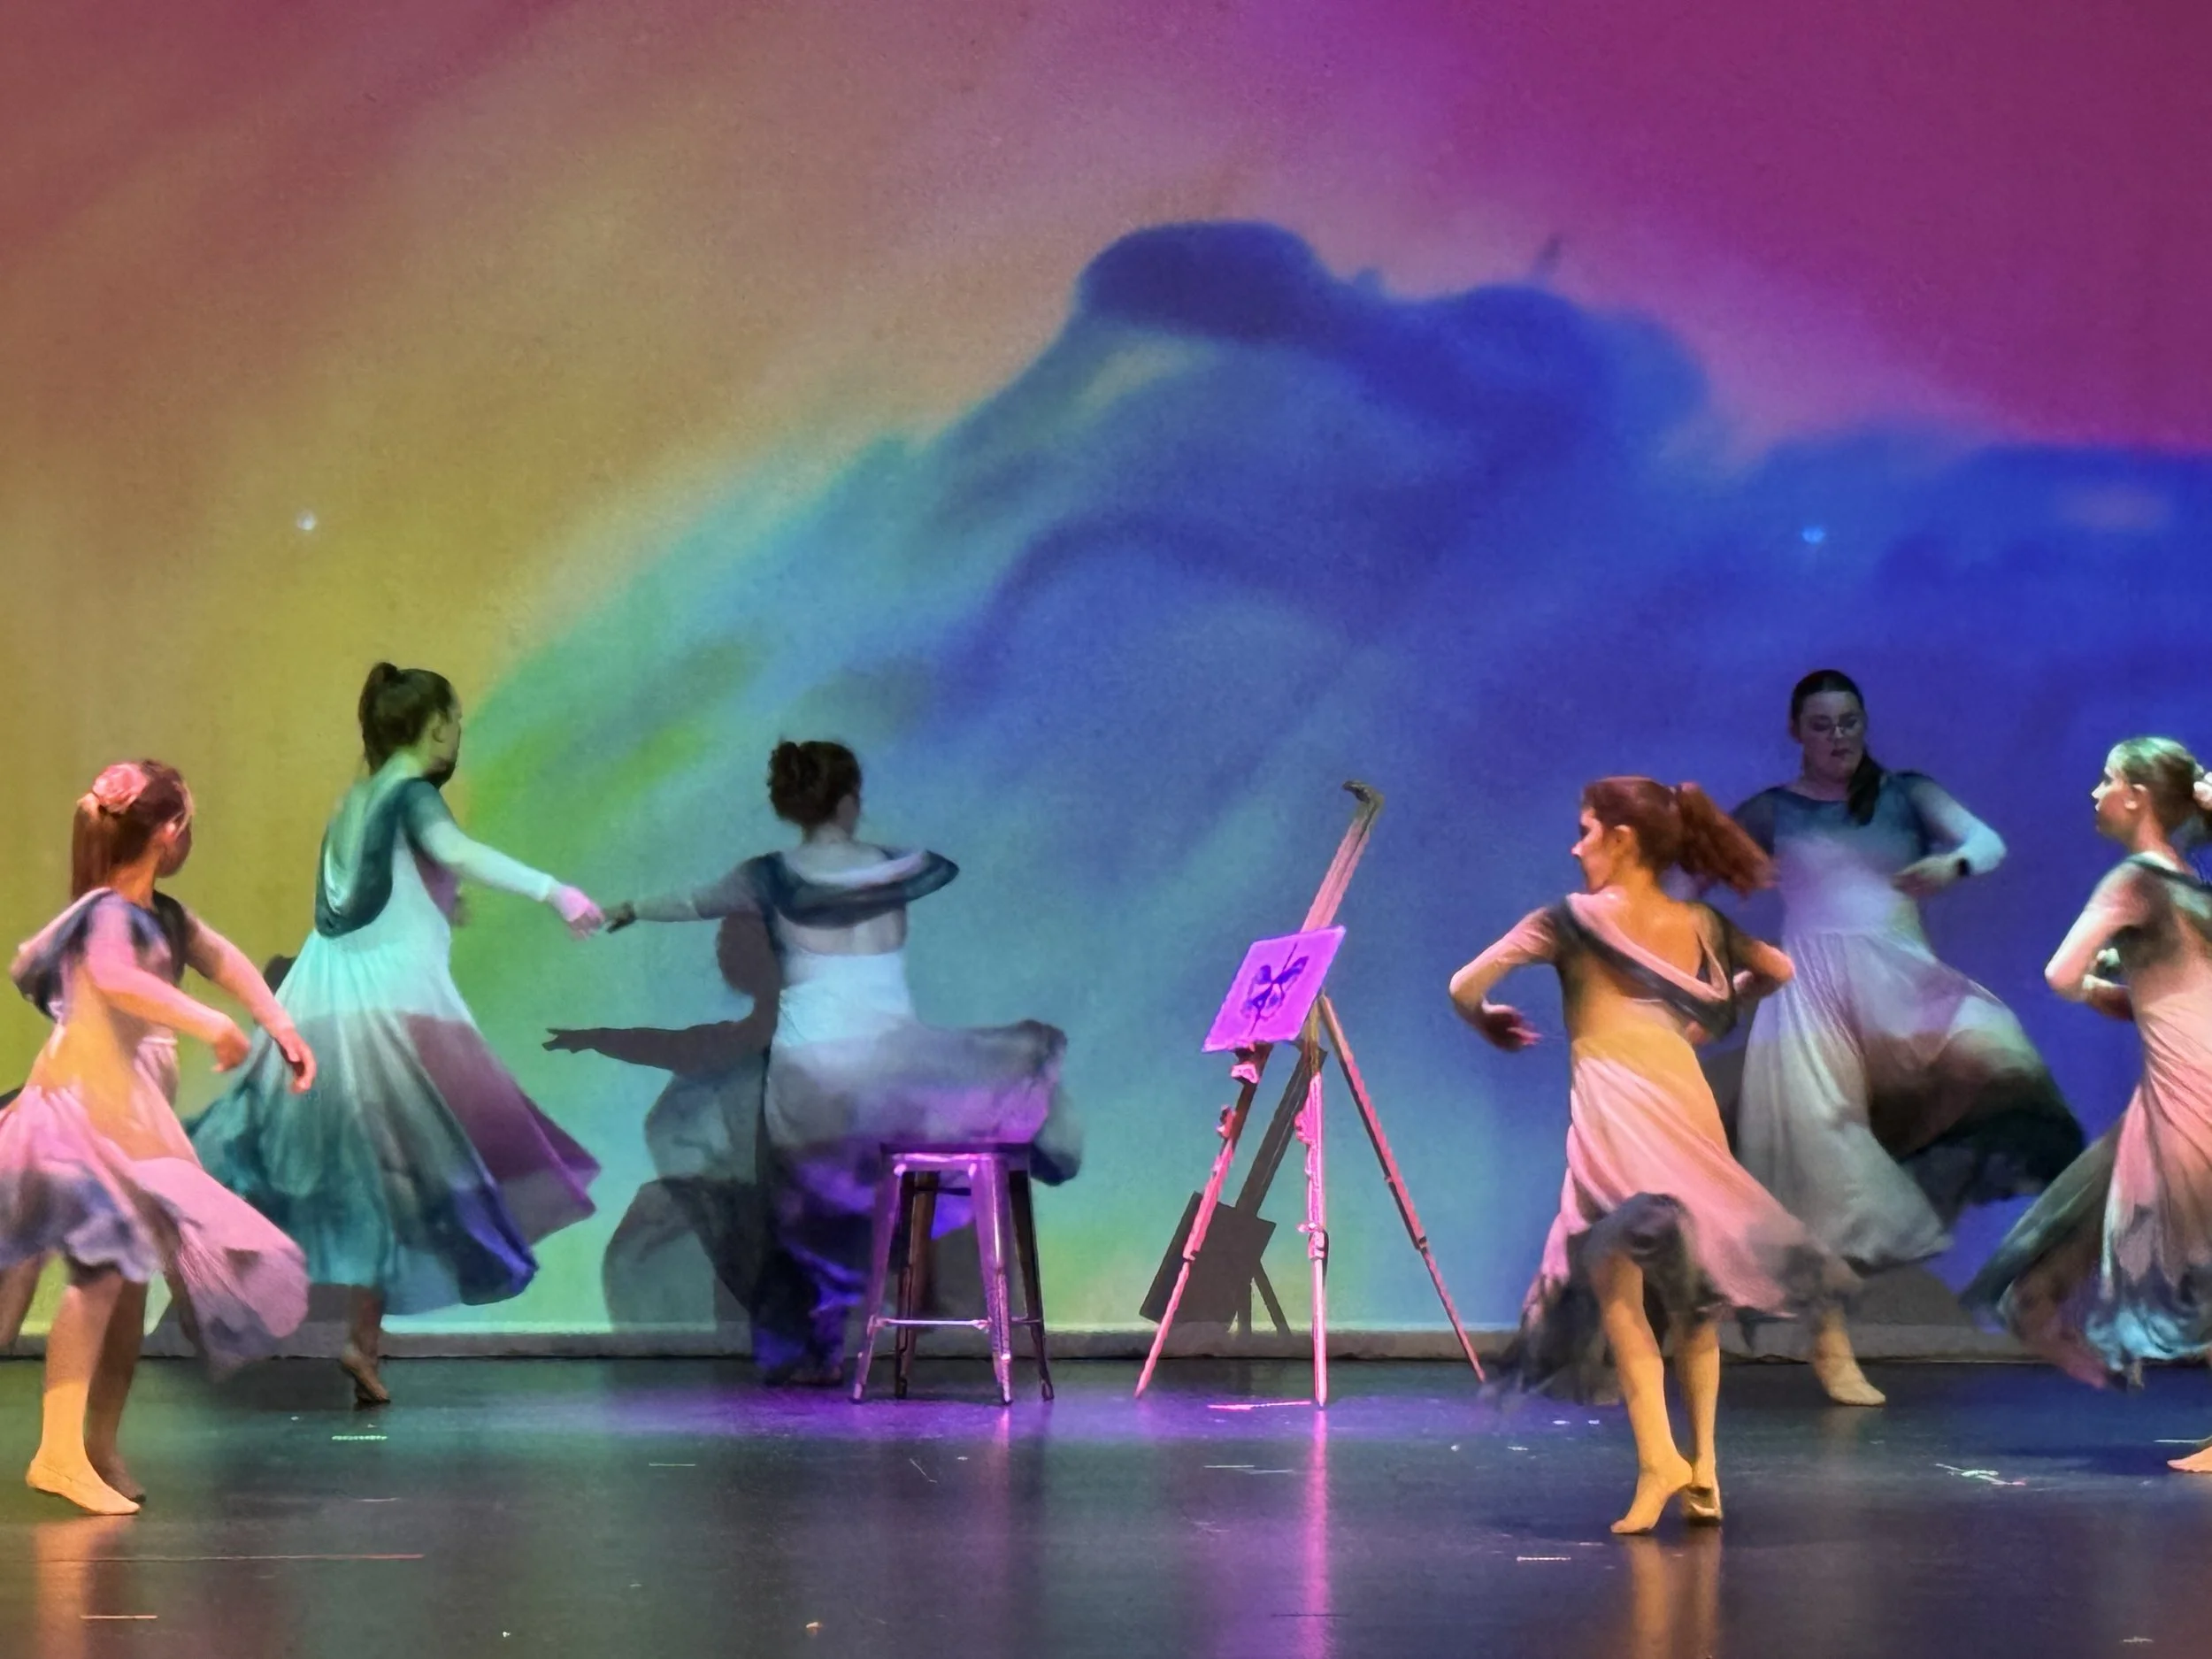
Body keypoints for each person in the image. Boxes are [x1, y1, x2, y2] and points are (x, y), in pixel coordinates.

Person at [593, 740, 1079, 1385]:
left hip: (812, 1079)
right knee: (1011, 1072)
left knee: (800, 1203)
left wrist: (628, 908)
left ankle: (818, 1334)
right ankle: (1027, 1163)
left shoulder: (767, 875)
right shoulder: (895, 867)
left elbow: (690, 901)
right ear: (850, 801)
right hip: (895, 1071)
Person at [192, 664, 604, 1406]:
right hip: (387, 1008)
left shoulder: (357, 799)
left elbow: (353, 899)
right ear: (434, 725)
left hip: (327, 999)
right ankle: (246, 1290)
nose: (458, 732)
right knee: (432, 1158)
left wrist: (436, 897)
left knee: (374, 1174)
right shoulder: (412, 792)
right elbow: (455, 852)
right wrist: (555, 890)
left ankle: (360, 1339)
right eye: (455, 720)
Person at [1452, 777, 1855, 1534]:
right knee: (1690, 1293)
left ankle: (1659, 1463)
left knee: (1618, 1288)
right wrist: (1702, 1021)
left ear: (1622, 838)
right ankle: (1705, 1471)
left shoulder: (1567, 921)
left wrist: (1487, 1021)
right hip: (1682, 1101)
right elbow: (1778, 969)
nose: (1576, 848)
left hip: (1617, 1114)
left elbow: (1464, 986)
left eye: (1586, 831)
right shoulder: (1700, 922)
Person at [1727, 670, 2082, 1405]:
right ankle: (1832, 1349)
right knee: (1826, 1182)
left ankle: (2049, 1230)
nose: (1838, 737)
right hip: (1812, 998)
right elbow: (1700, 866)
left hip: (1901, 987)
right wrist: (1735, 881)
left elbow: (1986, 840)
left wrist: (1953, 863)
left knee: (1999, 1054)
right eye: (1822, 725)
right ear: (1796, 733)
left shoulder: (1905, 792)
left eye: (1849, 721)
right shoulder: (1774, 809)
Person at [0, 761, 314, 1514]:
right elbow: (117, 979)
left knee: (128, 1282)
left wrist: (280, 1025)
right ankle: (57, 1451)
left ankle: (97, 1443)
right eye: (190, 824)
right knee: (100, 1272)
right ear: (170, 832)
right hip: (82, 1109)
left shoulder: (163, 916)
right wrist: (208, 1021)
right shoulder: (106, 914)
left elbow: (223, 959)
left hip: (130, 1114)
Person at [1963, 739, 2212, 1470]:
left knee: (2197, 1256)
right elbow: (2170, 1001)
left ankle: (2053, 1316)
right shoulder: (2192, 884)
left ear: (2138, 796)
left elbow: (2060, 973)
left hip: (2188, 1089)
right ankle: (2052, 1312)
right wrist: (2123, 985)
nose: (2096, 793)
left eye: (2108, 780)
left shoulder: (2134, 880)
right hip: (2188, 1080)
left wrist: (2098, 981)